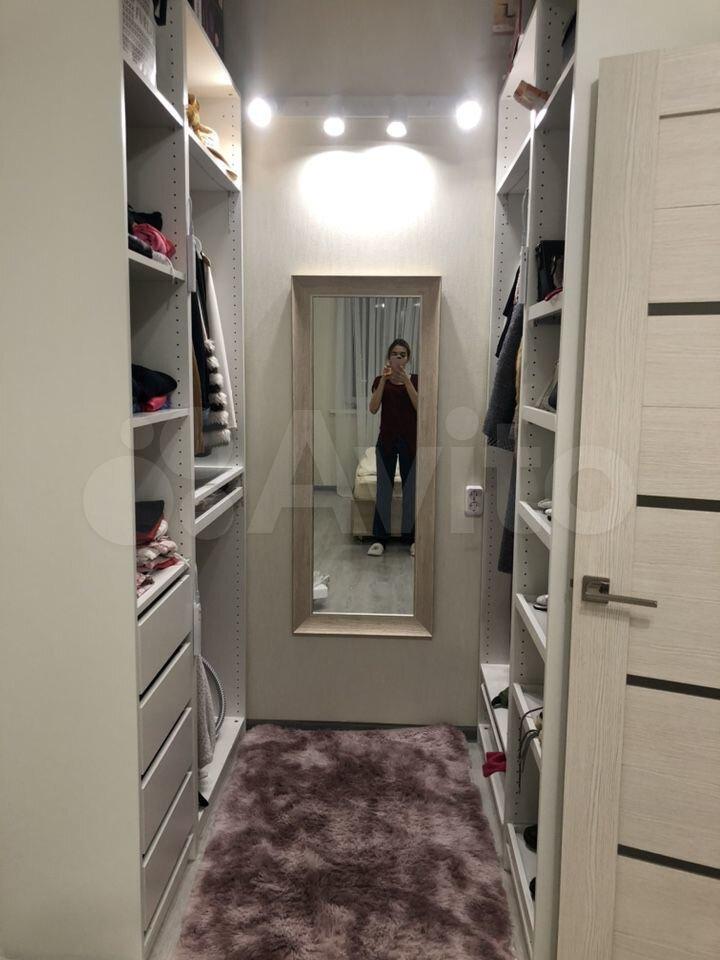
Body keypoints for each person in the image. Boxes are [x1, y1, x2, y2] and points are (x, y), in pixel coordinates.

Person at [367, 338, 418, 557]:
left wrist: (407, 382)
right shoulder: (380, 380)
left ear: (408, 358)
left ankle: (412, 538)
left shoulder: (416, 379)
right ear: (389, 357)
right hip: (386, 441)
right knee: (383, 490)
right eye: (395, 354)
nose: (398, 357)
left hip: (410, 442)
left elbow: (421, 408)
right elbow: (373, 408)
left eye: (402, 354)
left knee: (411, 491)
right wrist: (383, 381)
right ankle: (379, 539)